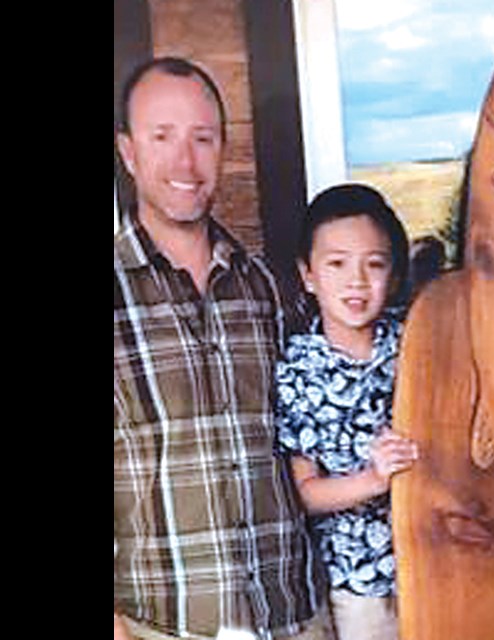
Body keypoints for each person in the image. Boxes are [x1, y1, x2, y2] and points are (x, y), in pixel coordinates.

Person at [114, 57, 332, 640]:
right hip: (165, 626)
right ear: (129, 152)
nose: (186, 162)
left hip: (294, 615)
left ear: (224, 150)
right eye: (163, 137)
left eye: (202, 138)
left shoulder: (269, 286)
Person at [273, 184, 419, 640]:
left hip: (440, 557)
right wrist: (373, 479)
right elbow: (307, 493)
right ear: (308, 274)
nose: (356, 281)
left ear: (393, 275)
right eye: (336, 264)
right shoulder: (299, 372)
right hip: (362, 585)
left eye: (374, 264)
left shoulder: (416, 342)